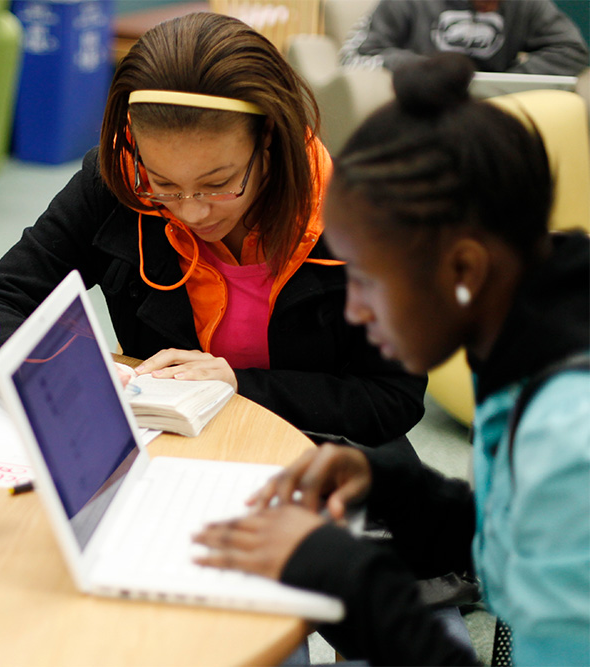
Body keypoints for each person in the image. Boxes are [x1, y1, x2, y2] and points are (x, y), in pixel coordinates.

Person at [193, 53, 589, 665]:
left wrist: (346, 576)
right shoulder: (530, 341)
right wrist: (395, 487)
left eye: (369, 281)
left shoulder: (570, 440)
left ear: (463, 269)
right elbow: (519, 531)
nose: (354, 311)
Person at [0, 12, 426, 447]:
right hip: (172, 448)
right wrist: (68, 367)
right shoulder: (119, 184)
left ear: (269, 141)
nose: (192, 212)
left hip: (320, 453)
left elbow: (390, 398)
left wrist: (239, 386)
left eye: (218, 184)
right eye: (165, 184)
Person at [339, 0, 589, 75]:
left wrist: (511, 80)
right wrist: (425, 71)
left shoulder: (526, 4)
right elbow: (354, 56)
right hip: (420, 101)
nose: (493, 7)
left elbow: (573, 50)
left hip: (494, 107)